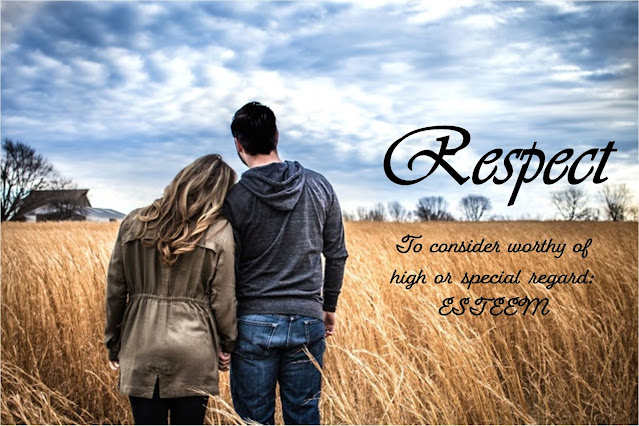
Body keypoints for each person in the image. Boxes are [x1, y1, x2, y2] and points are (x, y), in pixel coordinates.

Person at [223, 102, 349, 425]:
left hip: (252, 324)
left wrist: (223, 332)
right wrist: (328, 306)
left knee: (253, 422)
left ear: (239, 145)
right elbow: (336, 253)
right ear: (276, 136)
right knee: (304, 417)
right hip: (309, 321)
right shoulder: (320, 186)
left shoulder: (235, 199)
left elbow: (225, 270)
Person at [104, 154, 238, 425]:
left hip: (140, 344)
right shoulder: (220, 231)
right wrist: (227, 344)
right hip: (194, 350)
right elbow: (223, 299)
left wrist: (113, 342)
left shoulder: (133, 222)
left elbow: (116, 291)